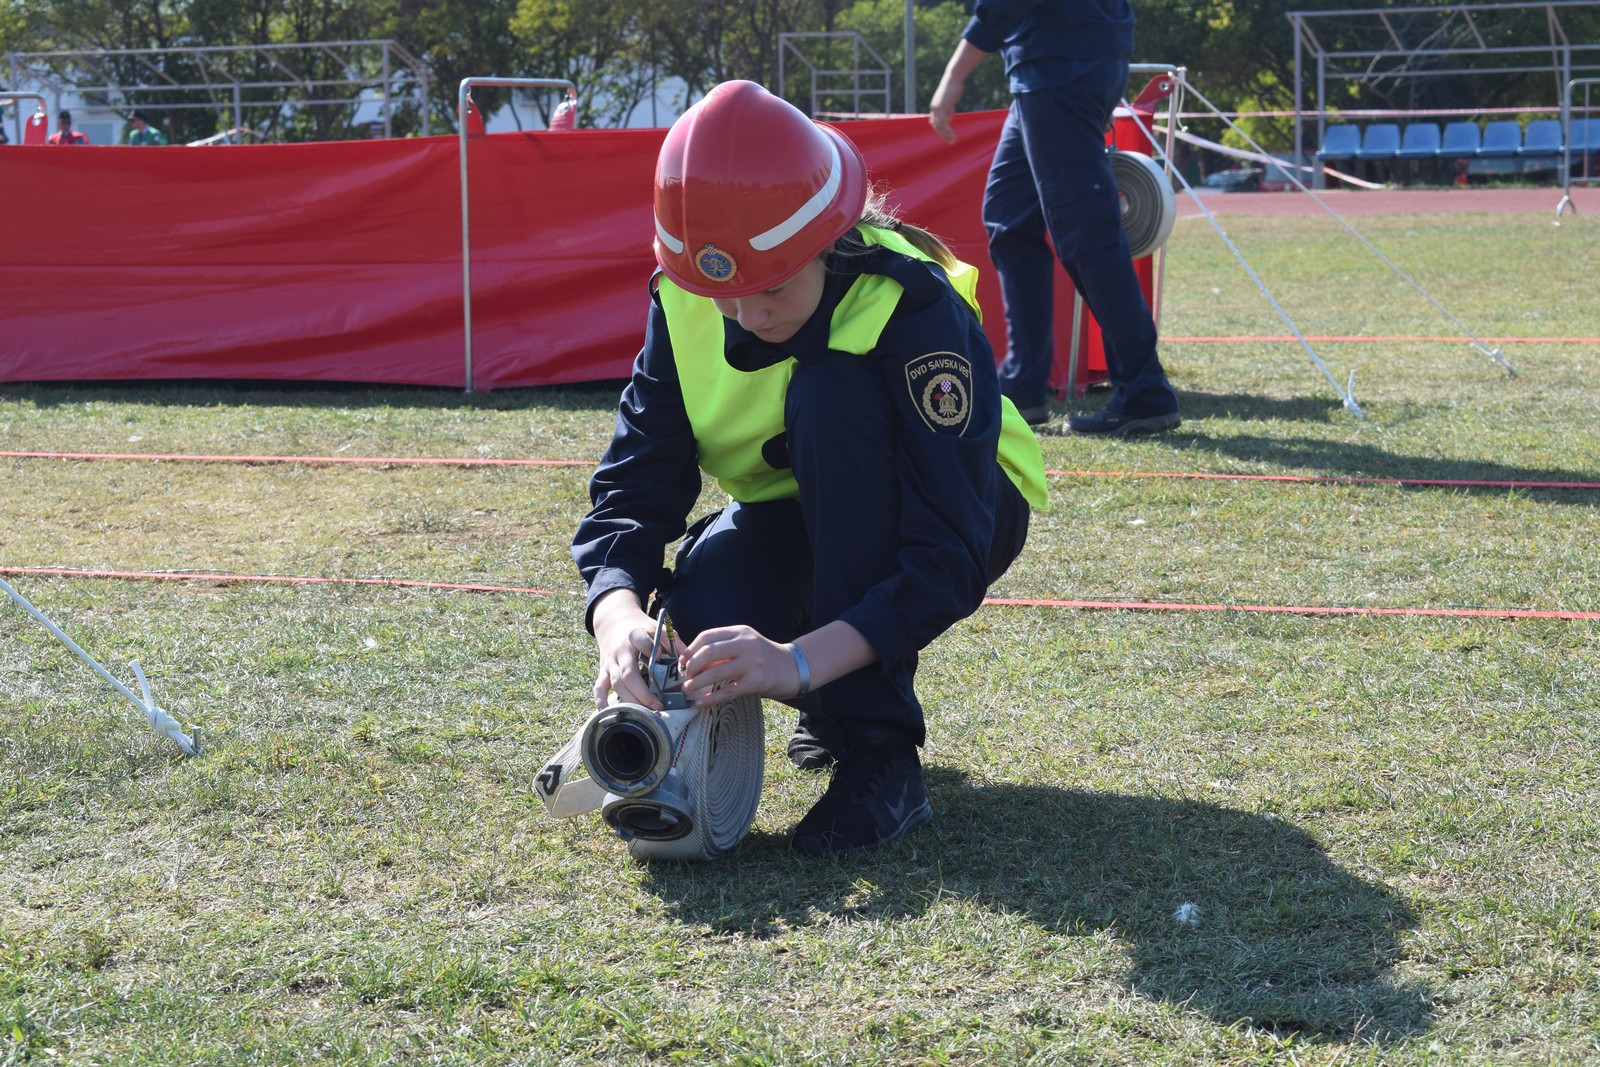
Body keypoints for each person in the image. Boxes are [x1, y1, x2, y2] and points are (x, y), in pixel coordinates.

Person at [570, 80, 1048, 857]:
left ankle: (875, 751)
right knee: (703, 611)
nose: (746, 315)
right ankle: (831, 700)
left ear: (829, 238)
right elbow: (635, 478)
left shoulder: (912, 307)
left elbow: (943, 554)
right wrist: (617, 614)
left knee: (831, 393)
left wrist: (796, 663)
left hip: (965, 507)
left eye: (772, 288)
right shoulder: (690, 292)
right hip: (801, 508)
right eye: (721, 294)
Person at [930, 0, 1182, 436]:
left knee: (1088, 235)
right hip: (1054, 68)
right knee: (1009, 217)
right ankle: (1024, 385)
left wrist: (954, 76)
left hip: (1060, 70)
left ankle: (1144, 394)